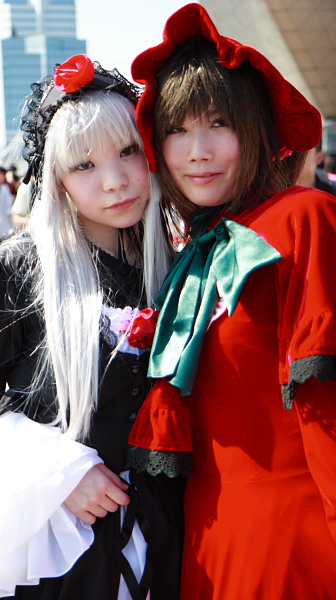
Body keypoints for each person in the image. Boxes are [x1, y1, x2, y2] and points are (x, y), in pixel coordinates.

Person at [0, 54, 185, 600]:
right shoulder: (23, 271)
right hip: (52, 550)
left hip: (162, 541)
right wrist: (60, 473)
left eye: (129, 151)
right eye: (84, 165)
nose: (115, 181)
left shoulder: (181, 266)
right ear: (57, 181)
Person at [127, 4, 336, 599]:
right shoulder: (189, 250)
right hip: (207, 544)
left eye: (218, 123)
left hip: (297, 542)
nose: (197, 150)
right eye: (176, 129)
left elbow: (326, 408)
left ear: (257, 128)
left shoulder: (305, 219)